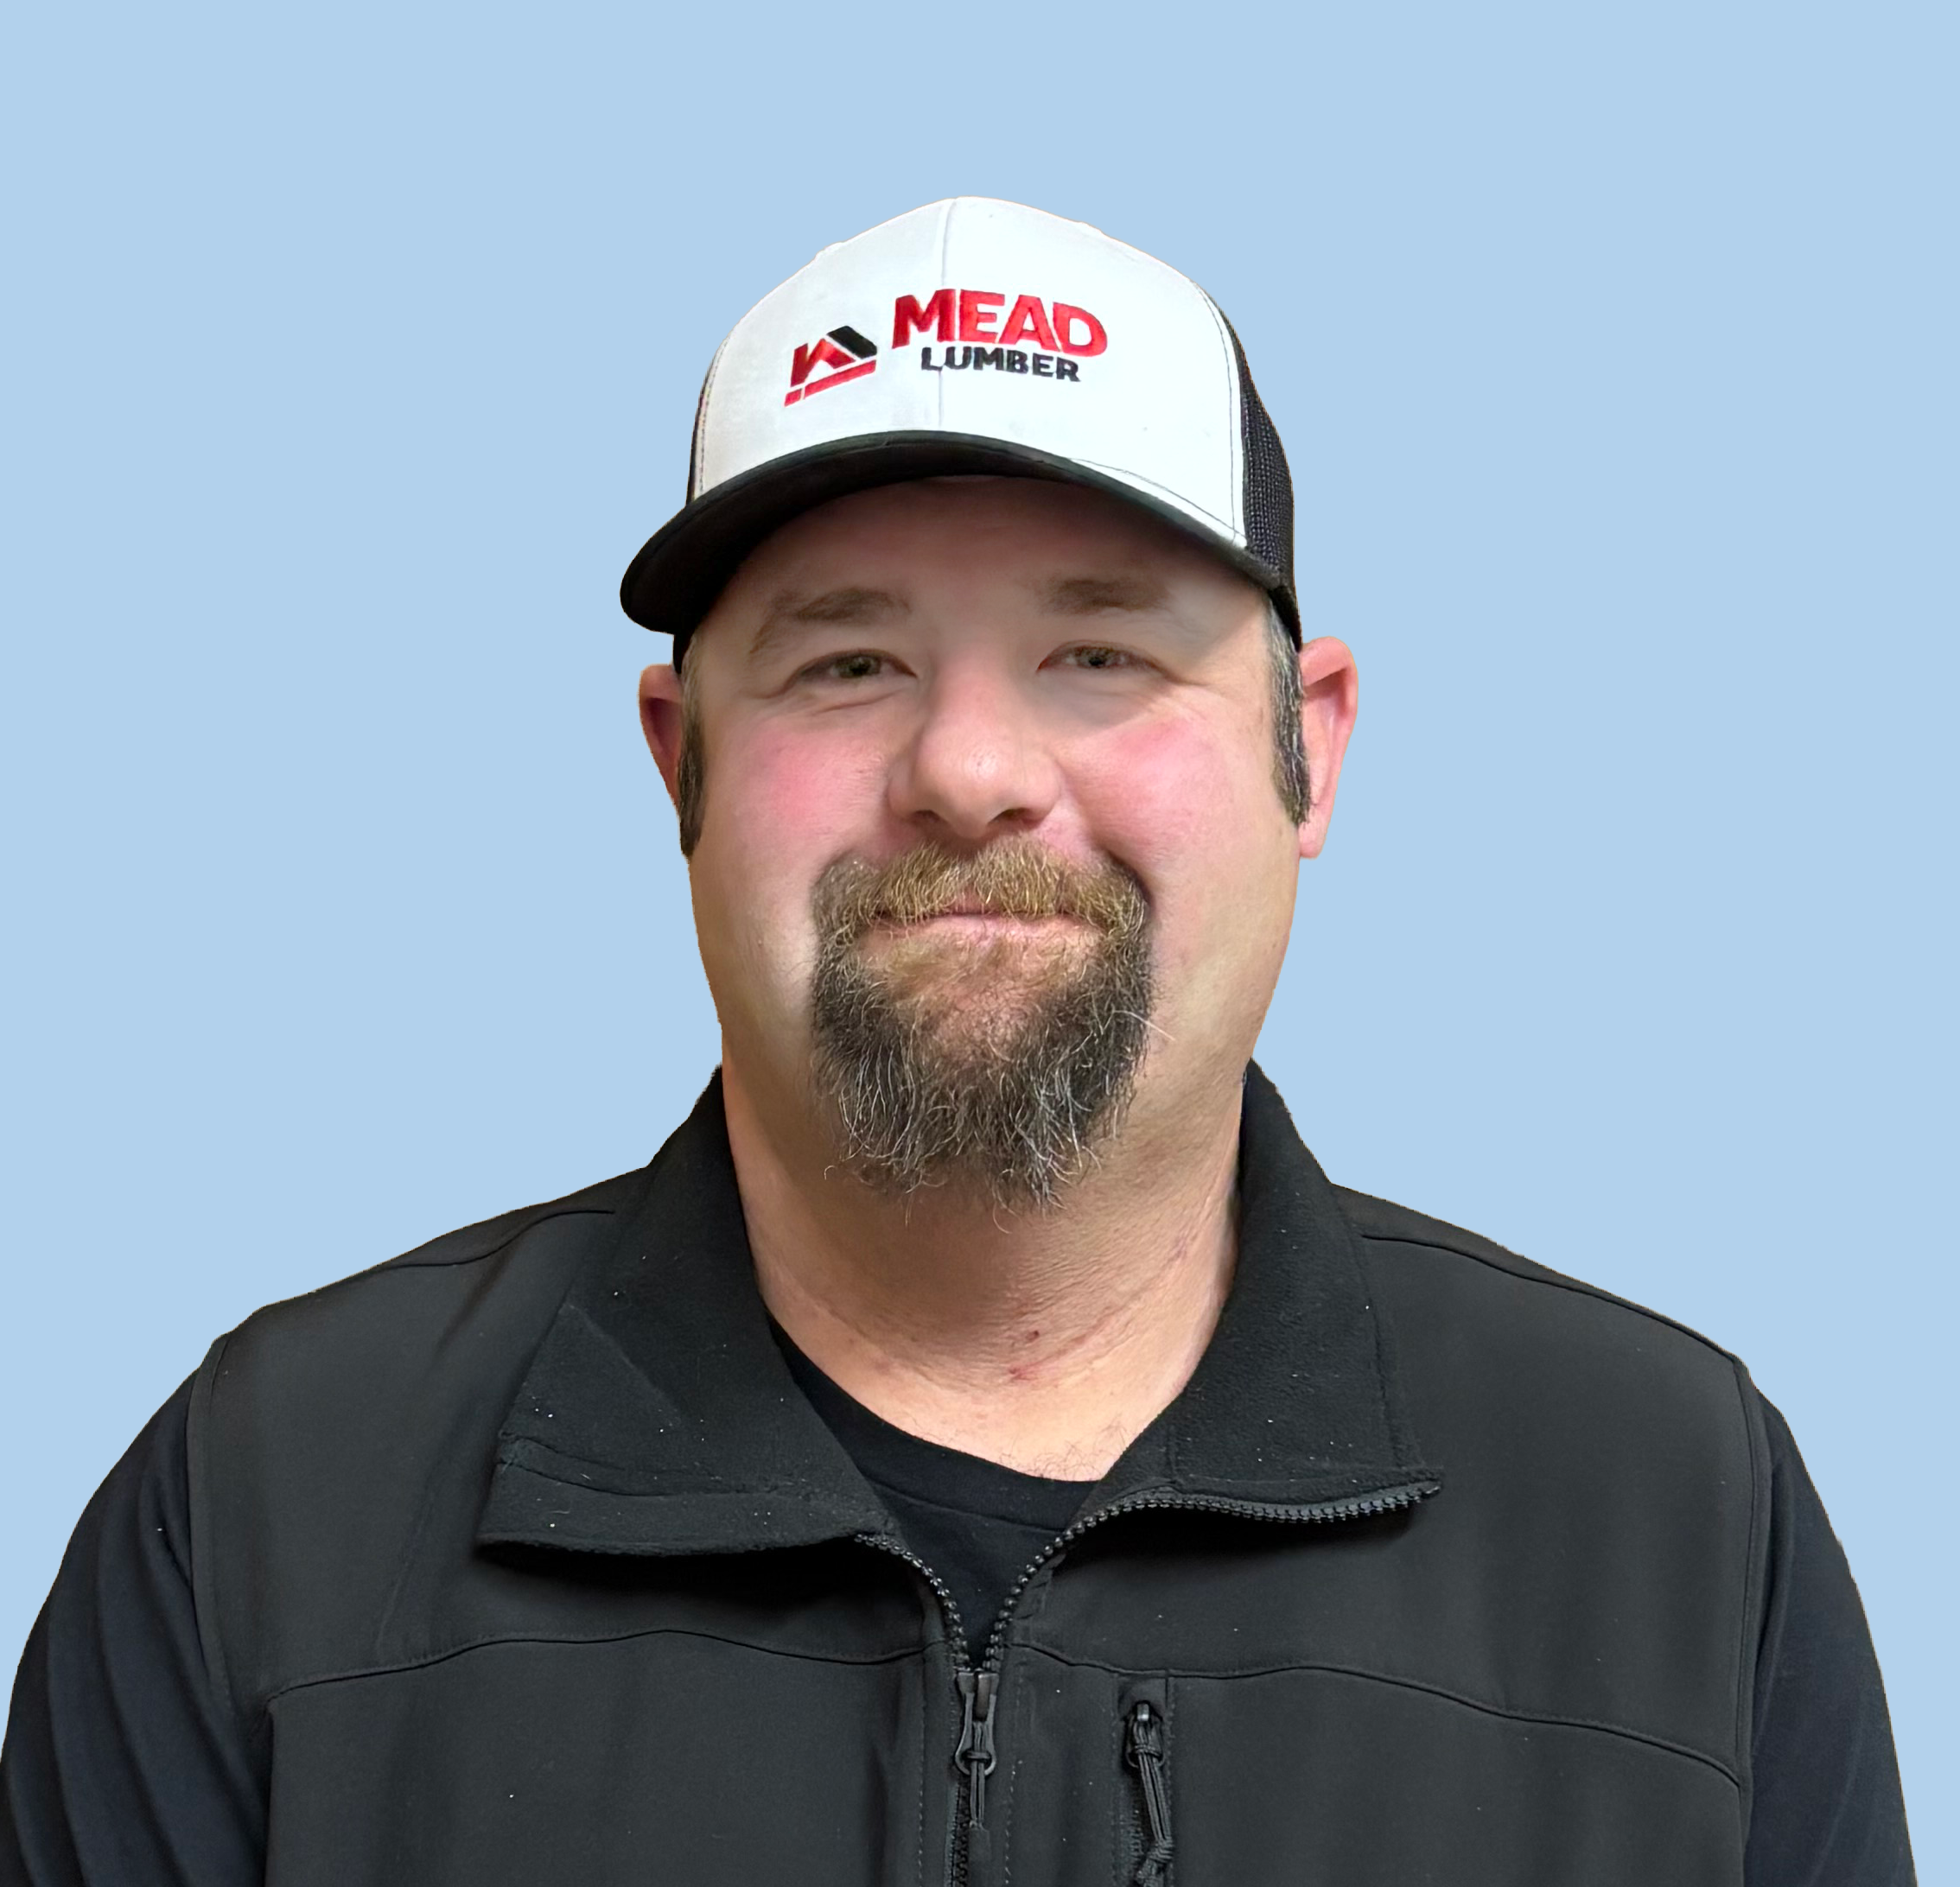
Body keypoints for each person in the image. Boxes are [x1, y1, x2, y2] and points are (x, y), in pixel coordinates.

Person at [0, 199, 1914, 1887]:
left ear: (1308, 748)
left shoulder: (1672, 1518)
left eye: (1101, 653)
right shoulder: (265, 1520)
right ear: (682, 761)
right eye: (850, 661)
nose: (974, 771)